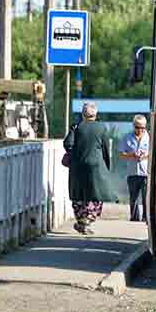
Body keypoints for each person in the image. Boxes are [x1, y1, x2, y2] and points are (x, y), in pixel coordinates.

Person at [64, 101, 114, 235]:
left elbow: (68, 144)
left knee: (79, 195)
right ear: (95, 114)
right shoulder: (102, 128)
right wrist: (107, 166)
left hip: (78, 167)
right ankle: (87, 221)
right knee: (96, 194)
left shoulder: (77, 127)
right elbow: (105, 149)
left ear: (83, 114)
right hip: (96, 167)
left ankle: (81, 222)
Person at [119, 115, 149, 223]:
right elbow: (121, 154)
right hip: (132, 172)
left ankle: (146, 217)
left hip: (145, 172)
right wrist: (132, 155)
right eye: (137, 127)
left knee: (146, 197)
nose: (140, 130)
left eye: (142, 127)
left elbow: (155, 154)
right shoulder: (127, 137)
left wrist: (145, 156)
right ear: (133, 126)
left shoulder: (150, 137)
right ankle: (134, 217)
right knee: (133, 197)